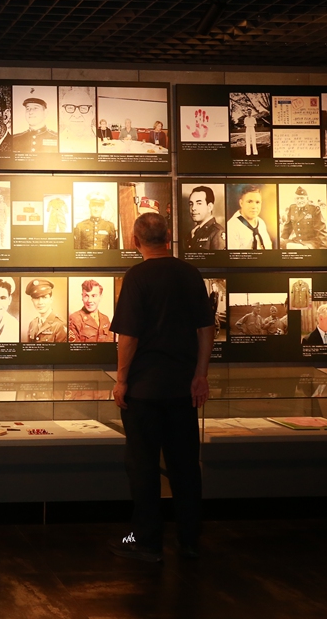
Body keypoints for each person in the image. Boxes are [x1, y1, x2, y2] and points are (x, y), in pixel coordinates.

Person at [109, 212, 214, 562]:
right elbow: (205, 329)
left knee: (142, 467)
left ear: (135, 240)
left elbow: (129, 336)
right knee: (185, 466)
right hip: (183, 389)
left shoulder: (137, 277)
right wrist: (200, 375)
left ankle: (147, 541)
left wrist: (122, 379)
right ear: (168, 237)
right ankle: (189, 540)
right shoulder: (190, 273)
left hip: (144, 390)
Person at [226, 184, 271, 250]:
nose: (254, 206)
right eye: (250, 201)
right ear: (241, 203)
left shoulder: (261, 223)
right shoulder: (232, 227)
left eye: (257, 202)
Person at [23, 279, 65, 343]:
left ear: (51, 299)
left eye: (44, 297)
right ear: (32, 300)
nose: (40, 302)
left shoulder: (60, 325)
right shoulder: (32, 323)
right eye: (36, 298)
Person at [185, 186, 225, 251]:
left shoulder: (217, 232)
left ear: (209, 207)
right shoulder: (192, 232)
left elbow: (219, 260)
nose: (193, 208)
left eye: (199, 203)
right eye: (191, 204)